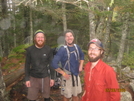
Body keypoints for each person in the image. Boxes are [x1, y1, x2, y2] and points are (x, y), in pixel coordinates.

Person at [51, 29, 84, 101]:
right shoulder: (62, 49)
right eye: (67, 36)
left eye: (71, 36)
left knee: (76, 95)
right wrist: (63, 73)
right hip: (67, 77)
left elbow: (82, 56)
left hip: (76, 76)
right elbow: (53, 63)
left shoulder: (76, 47)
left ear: (73, 37)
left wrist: (81, 65)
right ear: (65, 38)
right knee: (66, 96)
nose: (69, 38)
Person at [25, 30, 55, 101]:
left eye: (42, 37)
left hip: (45, 78)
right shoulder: (30, 50)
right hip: (33, 78)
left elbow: (51, 64)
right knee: (32, 98)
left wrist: (52, 78)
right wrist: (27, 79)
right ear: (35, 38)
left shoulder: (48, 49)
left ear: (44, 39)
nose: (40, 39)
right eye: (38, 37)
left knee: (47, 98)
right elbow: (27, 65)